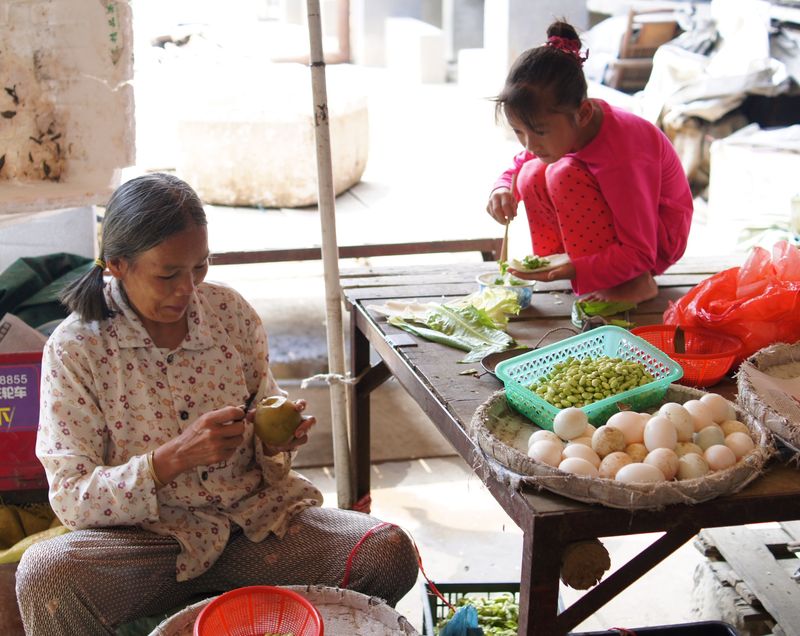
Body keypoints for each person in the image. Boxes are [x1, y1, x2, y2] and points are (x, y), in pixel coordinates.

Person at [16, 173, 419, 634]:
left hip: (252, 530)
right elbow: (71, 498)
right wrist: (170, 459)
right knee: (46, 574)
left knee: (387, 553)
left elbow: (268, 431)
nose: (188, 289)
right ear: (117, 265)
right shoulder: (77, 349)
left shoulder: (230, 314)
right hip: (150, 546)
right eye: (168, 274)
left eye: (200, 267)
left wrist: (277, 443)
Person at [486, 20, 693, 303]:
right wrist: (502, 189)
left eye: (539, 132)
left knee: (561, 173)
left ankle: (634, 281)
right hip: (624, 237)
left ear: (583, 113)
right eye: (519, 132)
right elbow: (520, 164)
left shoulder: (623, 153)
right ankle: (574, 267)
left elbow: (641, 249)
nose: (529, 144)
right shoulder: (565, 126)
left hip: (654, 244)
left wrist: (580, 267)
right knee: (530, 172)